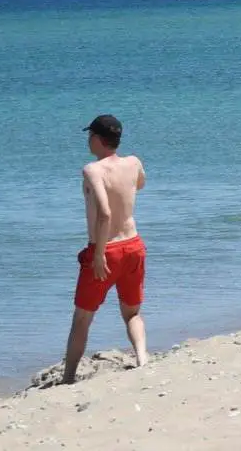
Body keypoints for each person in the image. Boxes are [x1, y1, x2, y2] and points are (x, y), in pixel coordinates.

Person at [63, 115, 148, 384]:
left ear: (98, 139)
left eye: (90, 136)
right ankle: (143, 360)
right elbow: (140, 184)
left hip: (106, 250)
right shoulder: (133, 162)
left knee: (82, 318)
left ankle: (68, 377)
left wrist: (98, 254)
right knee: (132, 312)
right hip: (133, 245)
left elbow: (105, 213)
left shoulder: (93, 170)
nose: (88, 141)